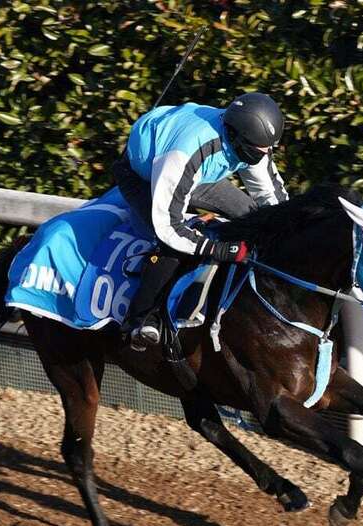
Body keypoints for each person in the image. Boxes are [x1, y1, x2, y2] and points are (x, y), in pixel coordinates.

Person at [112, 91, 289, 350]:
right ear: (237, 139)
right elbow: (169, 227)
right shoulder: (187, 152)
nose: (264, 155)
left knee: (254, 219)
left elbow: (271, 199)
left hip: (198, 177)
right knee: (173, 245)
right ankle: (141, 318)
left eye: (268, 151)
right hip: (145, 175)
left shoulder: (251, 142)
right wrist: (217, 249)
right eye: (258, 152)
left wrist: (288, 229)